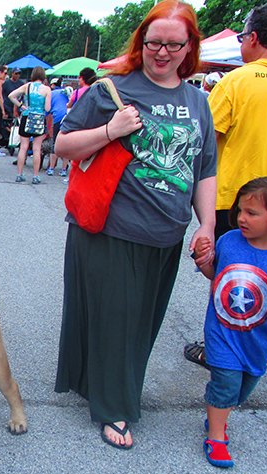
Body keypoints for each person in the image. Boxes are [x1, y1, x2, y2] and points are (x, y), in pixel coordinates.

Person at [53, 0, 217, 450]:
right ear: (141, 42)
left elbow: (204, 169)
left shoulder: (199, 102)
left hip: (168, 233)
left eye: (173, 44)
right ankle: (116, 408)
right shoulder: (112, 89)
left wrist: (208, 226)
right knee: (118, 321)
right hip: (112, 228)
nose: (162, 52)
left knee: (140, 324)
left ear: (190, 47)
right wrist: (111, 129)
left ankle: (102, 385)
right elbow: (62, 144)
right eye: (154, 43)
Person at [183, 2, 267, 368]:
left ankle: (220, 346)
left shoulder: (237, 81)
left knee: (227, 271)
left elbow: (205, 140)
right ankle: (259, 339)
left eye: (242, 37)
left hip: (236, 197)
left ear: (252, 38)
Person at [191, 177, 267, 468]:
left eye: (252, 213)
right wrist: (203, 260)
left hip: (259, 340)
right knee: (226, 384)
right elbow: (216, 276)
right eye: (240, 210)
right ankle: (217, 435)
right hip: (222, 333)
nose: (241, 218)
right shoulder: (229, 241)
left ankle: (218, 409)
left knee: (241, 390)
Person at [8, 66, 51, 184]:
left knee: (23, 147)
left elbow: (11, 95)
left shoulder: (27, 86)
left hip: (27, 117)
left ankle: (19, 174)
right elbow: (47, 108)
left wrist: (21, 106)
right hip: (39, 119)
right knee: (37, 149)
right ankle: (35, 176)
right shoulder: (47, 89)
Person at [46, 76, 70, 177]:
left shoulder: (51, 94)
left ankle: (51, 168)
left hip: (57, 118)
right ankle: (64, 170)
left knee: (55, 143)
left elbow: (47, 110)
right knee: (66, 144)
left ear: (52, 85)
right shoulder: (66, 92)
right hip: (68, 118)